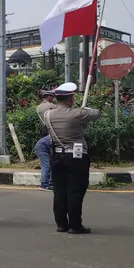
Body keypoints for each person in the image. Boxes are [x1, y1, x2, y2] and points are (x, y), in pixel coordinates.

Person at [37, 82, 101, 234]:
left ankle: (61, 223)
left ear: (56, 98)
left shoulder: (48, 114)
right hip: (76, 157)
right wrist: (84, 108)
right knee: (75, 191)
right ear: (71, 99)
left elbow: (42, 106)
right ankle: (75, 225)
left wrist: (54, 105)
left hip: (57, 156)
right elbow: (97, 113)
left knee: (59, 190)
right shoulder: (77, 114)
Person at [35, 90, 56, 191]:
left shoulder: (40, 107)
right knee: (47, 165)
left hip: (47, 134)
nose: (54, 98)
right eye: (52, 96)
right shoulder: (48, 106)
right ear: (48, 97)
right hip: (48, 136)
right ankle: (44, 184)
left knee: (51, 163)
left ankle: (50, 183)